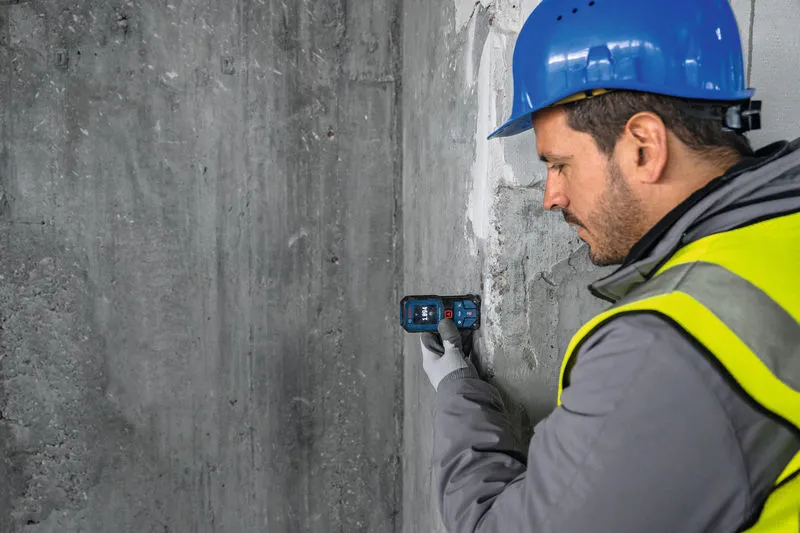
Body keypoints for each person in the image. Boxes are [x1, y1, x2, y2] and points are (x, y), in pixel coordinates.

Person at [418, 0, 800, 531]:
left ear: (643, 147)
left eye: (558, 164)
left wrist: (457, 391)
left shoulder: (666, 352)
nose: (550, 195)